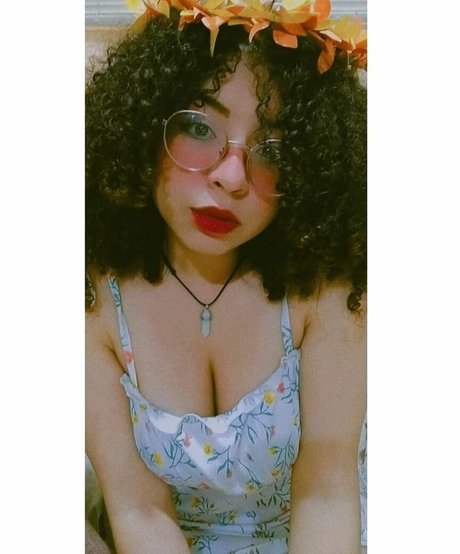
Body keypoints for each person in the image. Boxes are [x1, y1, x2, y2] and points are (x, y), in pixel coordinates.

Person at [85, 0, 367, 552]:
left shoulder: (326, 283)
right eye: (198, 126)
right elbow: (138, 509)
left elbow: (326, 492)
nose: (233, 177)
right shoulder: (95, 293)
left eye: (274, 148)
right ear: (140, 126)